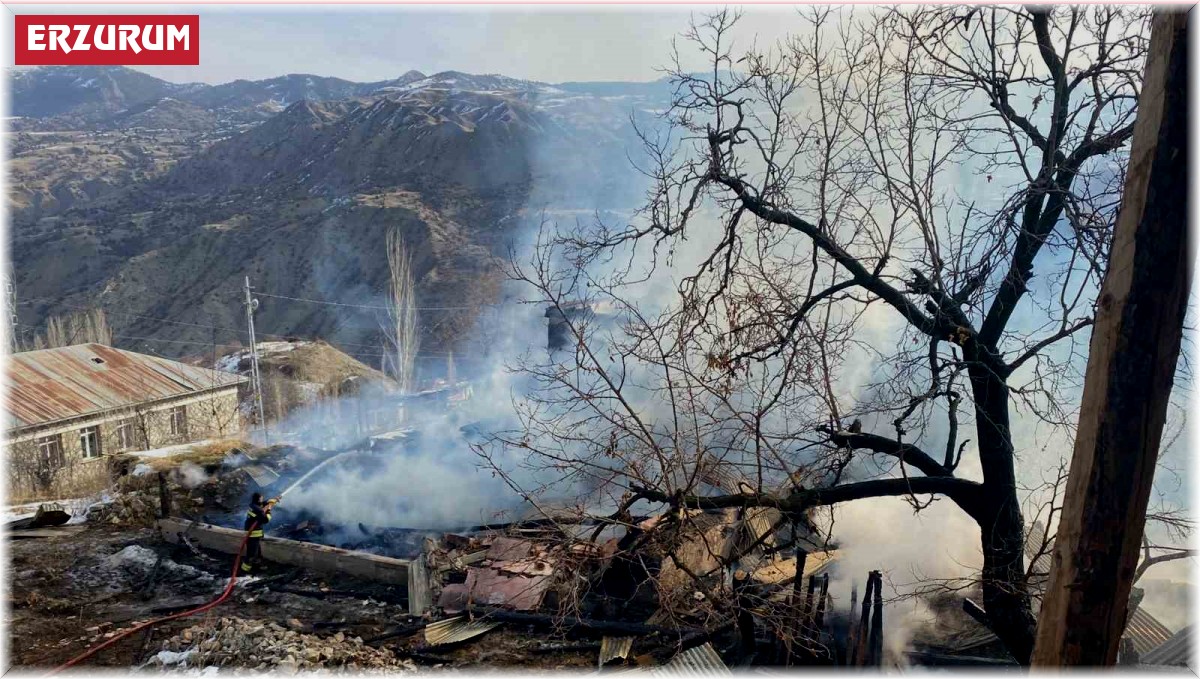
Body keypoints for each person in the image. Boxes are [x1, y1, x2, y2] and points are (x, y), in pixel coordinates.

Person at [241, 492, 277, 574]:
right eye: (261, 498)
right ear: (258, 499)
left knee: (257, 552)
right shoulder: (258, 510)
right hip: (254, 534)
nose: (262, 499)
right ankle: (244, 570)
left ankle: (257, 565)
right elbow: (266, 520)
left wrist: (269, 501)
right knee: (251, 553)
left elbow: (261, 505)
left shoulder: (252, 505)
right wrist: (269, 509)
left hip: (252, 532)